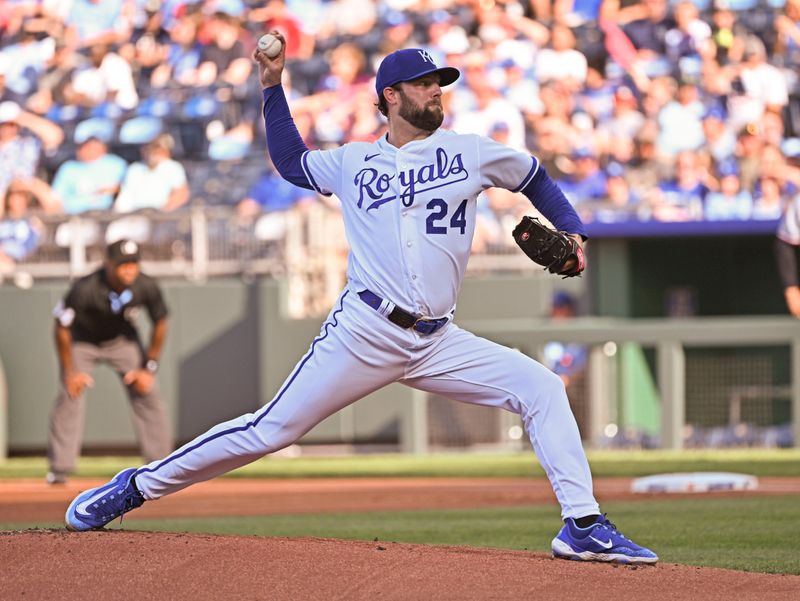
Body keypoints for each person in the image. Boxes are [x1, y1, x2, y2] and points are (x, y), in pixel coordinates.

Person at [64, 39, 658, 565]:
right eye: (425, 84)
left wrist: (573, 232)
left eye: (439, 83)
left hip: (438, 339)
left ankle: (582, 526)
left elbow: (534, 177)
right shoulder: (353, 161)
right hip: (365, 330)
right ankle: (137, 486)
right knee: (268, 431)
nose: (436, 92)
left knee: (542, 389)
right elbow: (291, 162)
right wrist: (271, 87)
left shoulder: (469, 152)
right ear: (391, 96)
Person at [48, 239, 173, 485]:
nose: (129, 269)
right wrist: (69, 371)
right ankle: (59, 469)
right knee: (69, 393)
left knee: (147, 391)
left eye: (133, 264)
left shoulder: (146, 285)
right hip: (83, 341)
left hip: (122, 341)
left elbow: (161, 321)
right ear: (108, 264)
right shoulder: (85, 287)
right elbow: (62, 327)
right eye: (123, 264)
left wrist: (149, 367)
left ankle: (163, 466)